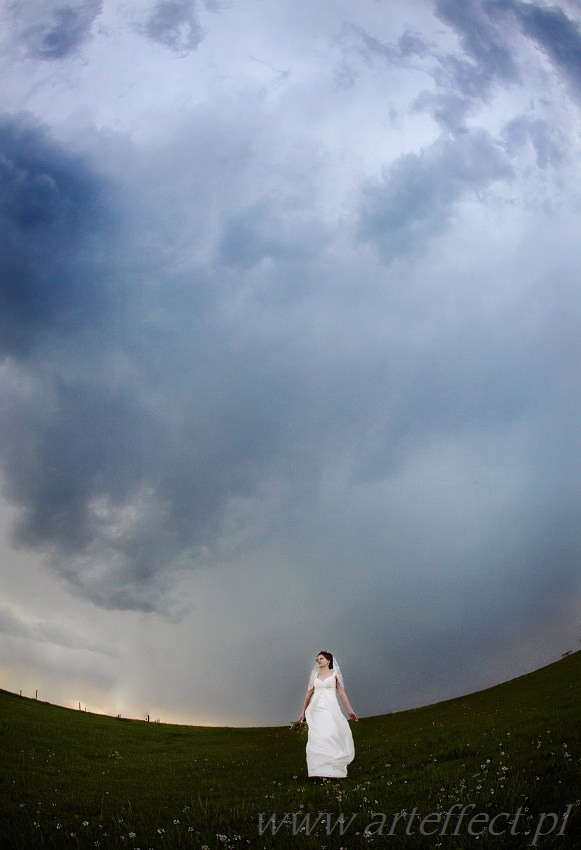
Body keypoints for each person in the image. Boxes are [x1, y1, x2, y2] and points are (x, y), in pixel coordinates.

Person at [299, 650, 358, 778]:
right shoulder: (315, 677)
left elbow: (341, 694)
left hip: (330, 709)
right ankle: (318, 771)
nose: (319, 661)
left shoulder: (334, 674)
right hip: (316, 710)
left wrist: (350, 711)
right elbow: (308, 696)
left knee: (331, 734)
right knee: (317, 737)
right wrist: (303, 713)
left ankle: (334, 769)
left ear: (328, 661)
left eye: (321, 658)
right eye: (317, 659)